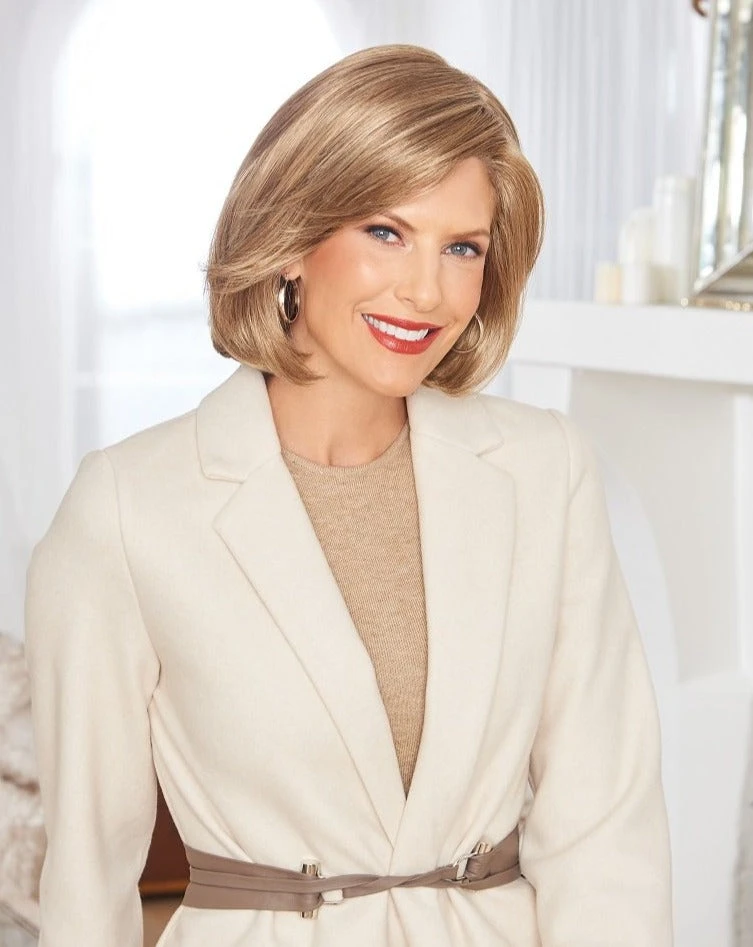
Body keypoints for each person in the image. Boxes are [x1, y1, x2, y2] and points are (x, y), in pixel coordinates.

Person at [23, 43, 673, 946]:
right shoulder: (128, 509)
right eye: (385, 232)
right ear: (292, 240)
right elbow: (87, 874)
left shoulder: (544, 472)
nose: (426, 290)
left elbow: (604, 827)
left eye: (462, 248)